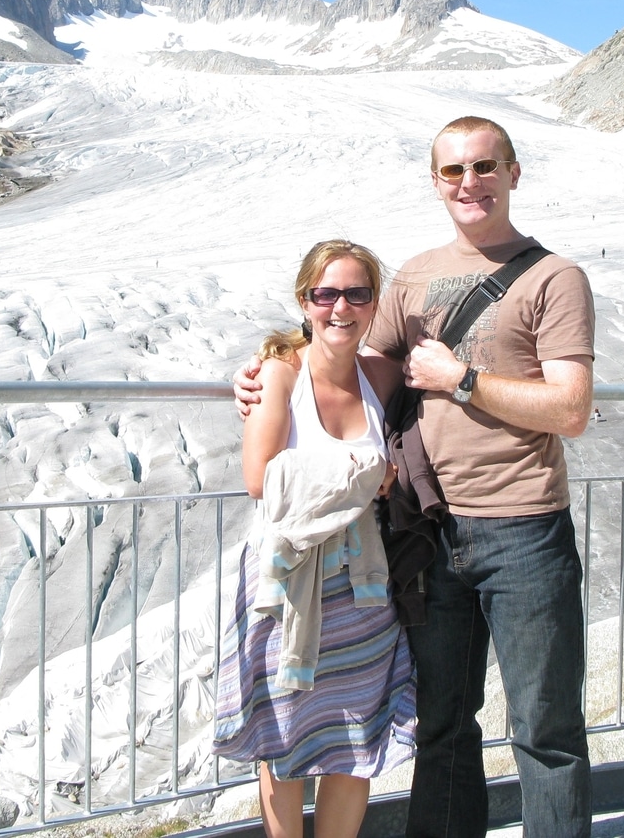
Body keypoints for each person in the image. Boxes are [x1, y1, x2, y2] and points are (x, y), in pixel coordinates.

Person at [237, 117, 596, 837]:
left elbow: (570, 407)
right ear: (436, 182)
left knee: (545, 729)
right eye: (454, 171)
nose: (471, 183)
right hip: (430, 536)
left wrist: (461, 379)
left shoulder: (556, 279)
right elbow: (356, 368)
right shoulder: (413, 279)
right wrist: (273, 372)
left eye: (486, 166)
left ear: (514, 174)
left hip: (524, 528)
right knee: (442, 726)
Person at [213, 240, 417, 838]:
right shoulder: (279, 374)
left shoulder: (380, 375)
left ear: (374, 304)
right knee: (284, 735)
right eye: (326, 294)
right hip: (286, 582)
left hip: (362, 590)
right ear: (305, 301)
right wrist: (367, 474)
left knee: (354, 738)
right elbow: (262, 478)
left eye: (358, 294)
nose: (341, 308)